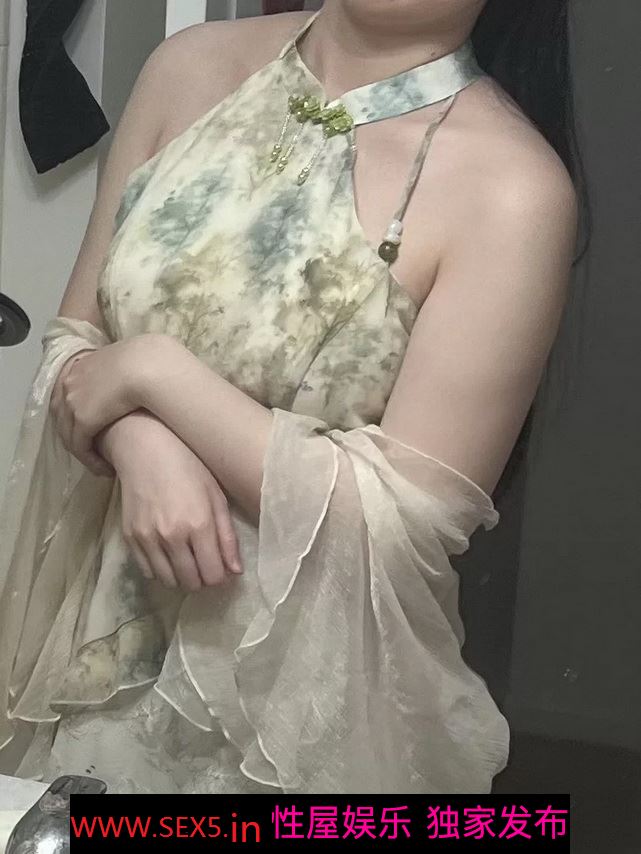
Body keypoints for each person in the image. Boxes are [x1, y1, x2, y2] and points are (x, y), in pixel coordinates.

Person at [0, 1, 578, 794]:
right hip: (90, 648)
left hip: (296, 711)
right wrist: (139, 439)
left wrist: (155, 373)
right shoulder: (188, 66)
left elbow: (394, 519)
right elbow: (76, 344)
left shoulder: (514, 190)